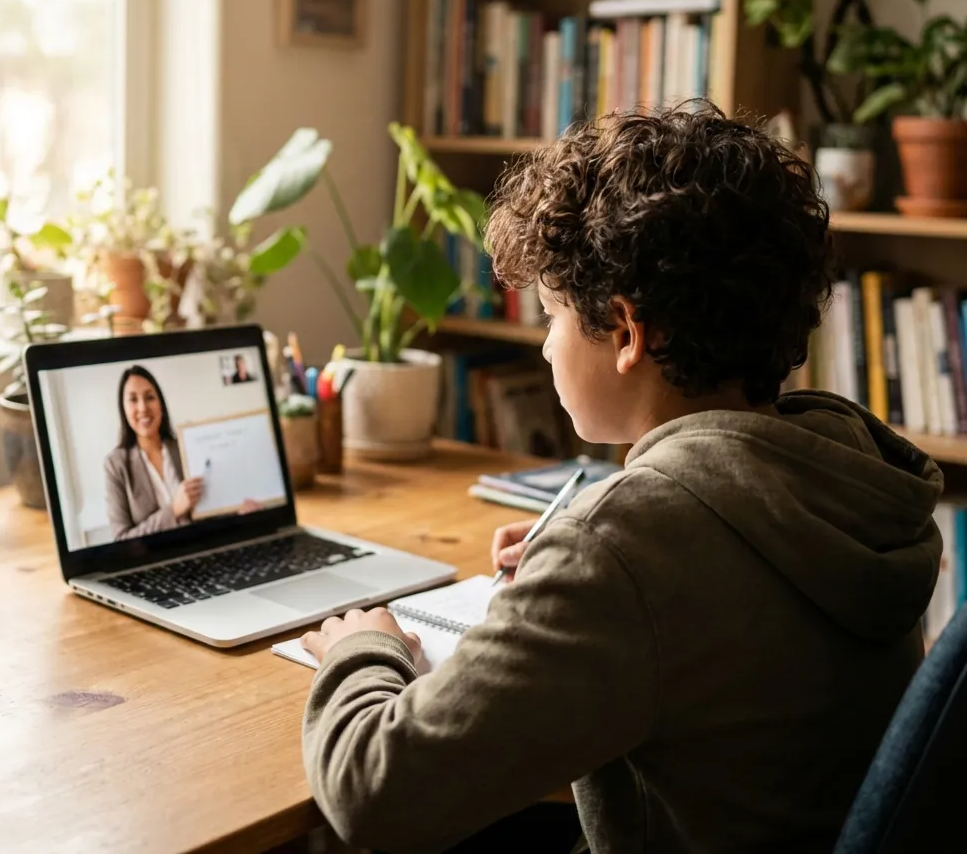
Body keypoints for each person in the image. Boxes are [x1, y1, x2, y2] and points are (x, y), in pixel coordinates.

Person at [297, 105, 942, 854]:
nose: (543, 349)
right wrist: (587, 550)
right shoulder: (849, 472)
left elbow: (371, 791)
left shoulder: (628, 548)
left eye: (550, 317)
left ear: (628, 334)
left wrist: (367, 649)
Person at [105, 365, 260, 540]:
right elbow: (122, 540)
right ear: (123, 409)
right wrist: (173, 511)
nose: (142, 408)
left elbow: (212, 510)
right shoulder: (115, 465)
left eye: (150, 397)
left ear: (160, 404)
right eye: (133, 399)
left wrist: (238, 514)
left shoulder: (187, 446)